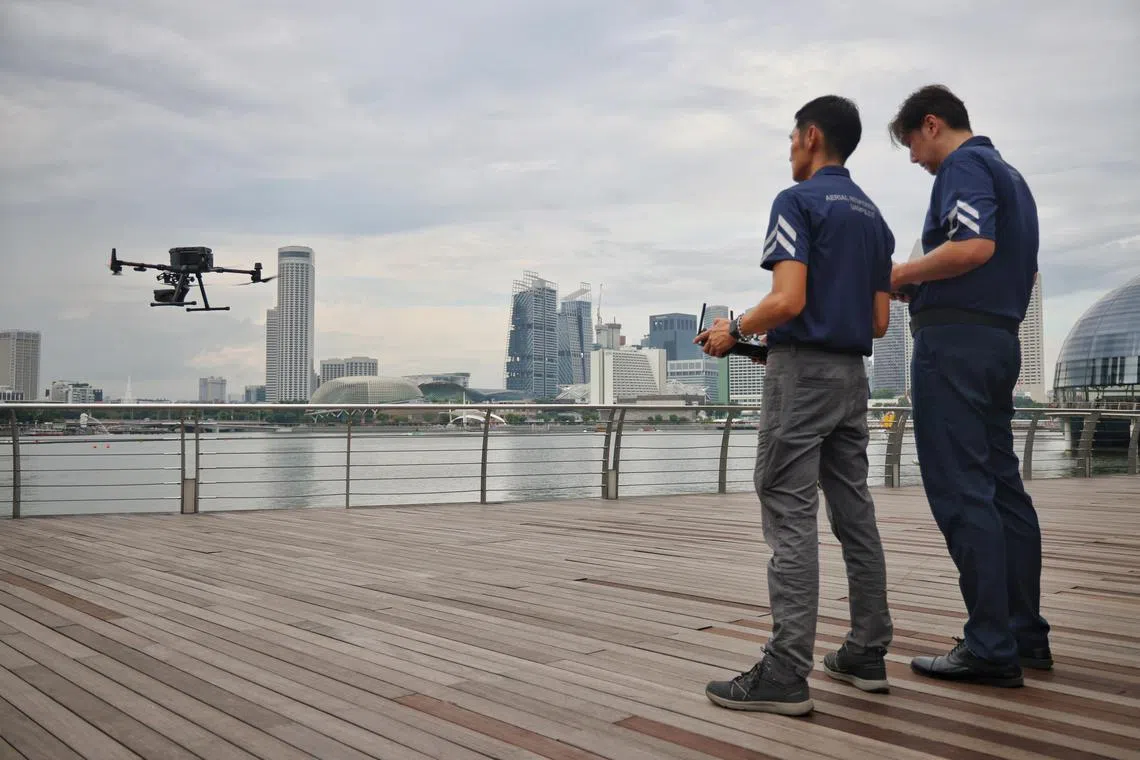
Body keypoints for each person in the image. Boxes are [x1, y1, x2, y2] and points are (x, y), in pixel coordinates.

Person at [696, 95, 896, 716]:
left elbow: (787, 300)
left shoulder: (797, 202)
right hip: (851, 379)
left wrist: (734, 329)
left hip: (802, 381)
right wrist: (766, 345)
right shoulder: (875, 219)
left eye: (790, 138)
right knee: (854, 514)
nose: (788, 149)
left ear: (811, 136)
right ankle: (866, 651)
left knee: (789, 514)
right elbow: (879, 322)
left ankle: (785, 671)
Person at [887, 84, 1051, 687]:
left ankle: (988, 645)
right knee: (1003, 488)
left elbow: (975, 245)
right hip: (998, 340)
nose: (914, 158)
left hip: (954, 345)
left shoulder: (964, 166)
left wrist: (905, 273)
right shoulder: (1012, 177)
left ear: (932, 124)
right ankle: (1024, 633)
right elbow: (1009, 261)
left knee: (963, 490)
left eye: (912, 143)